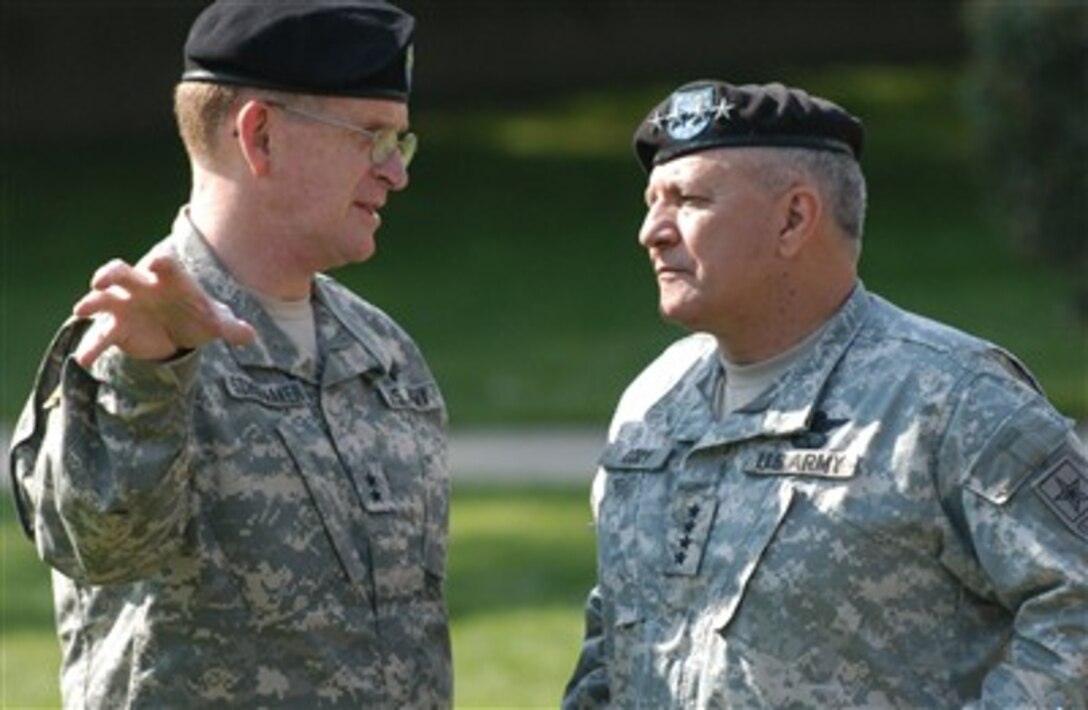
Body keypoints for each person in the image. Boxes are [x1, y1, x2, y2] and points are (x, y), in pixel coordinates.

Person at [563, 79, 1087, 708]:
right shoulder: (654, 401)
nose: (652, 231)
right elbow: (614, 637)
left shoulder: (950, 400)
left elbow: (1076, 602)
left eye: (689, 200)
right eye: (651, 202)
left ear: (793, 219)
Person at [8, 1, 452, 706]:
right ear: (261, 136)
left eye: (402, 143)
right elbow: (100, 550)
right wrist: (152, 377)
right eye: (372, 140)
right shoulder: (127, 341)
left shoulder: (385, 355)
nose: (395, 173)